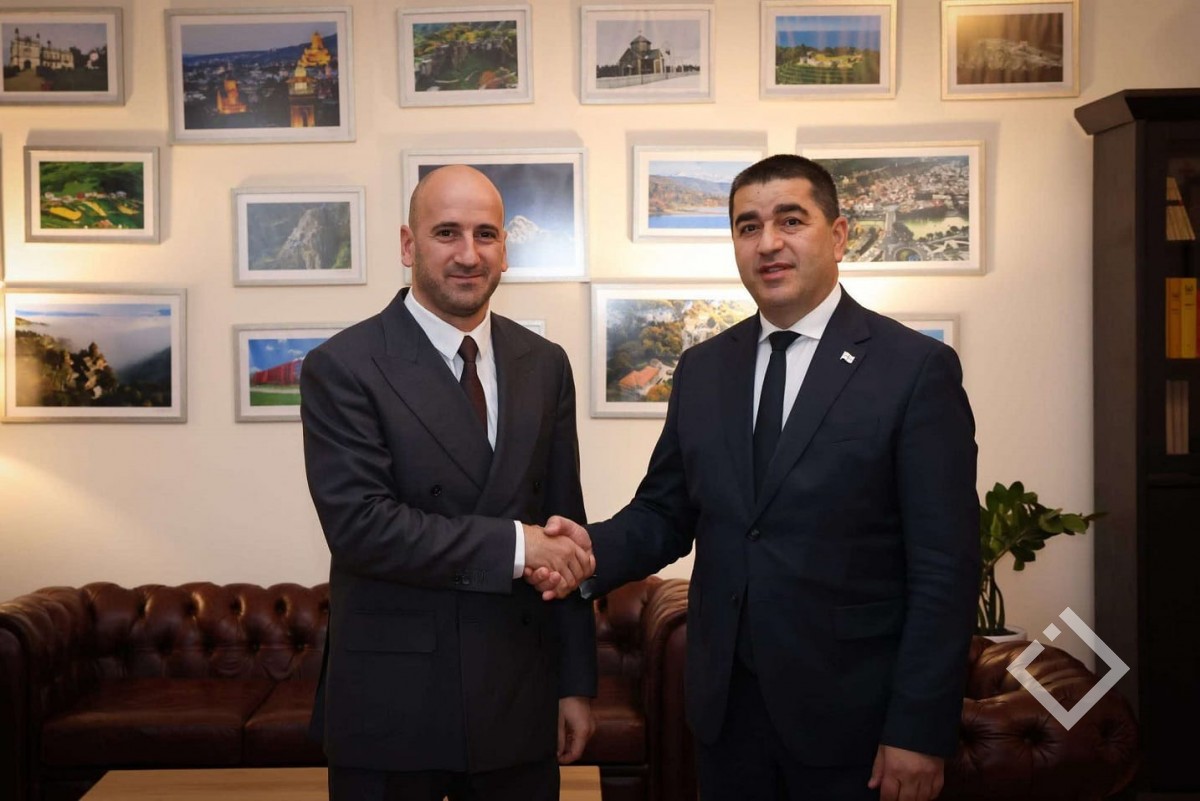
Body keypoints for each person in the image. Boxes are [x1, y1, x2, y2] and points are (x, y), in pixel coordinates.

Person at [532, 154, 979, 801]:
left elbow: (945, 567)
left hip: (856, 721)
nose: (767, 243)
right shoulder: (704, 368)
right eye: (748, 226)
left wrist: (919, 728)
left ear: (839, 235)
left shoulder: (914, 369)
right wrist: (585, 549)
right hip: (727, 714)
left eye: (790, 220)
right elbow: (665, 512)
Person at [301, 164, 597, 801]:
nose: (469, 254)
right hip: (394, 704)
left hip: (518, 694)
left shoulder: (545, 365)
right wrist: (518, 546)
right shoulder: (343, 366)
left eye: (486, 234)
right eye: (447, 233)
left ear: (505, 249)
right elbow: (362, 528)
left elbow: (563, 522)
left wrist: (574, 683)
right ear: (409, 245)